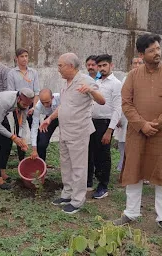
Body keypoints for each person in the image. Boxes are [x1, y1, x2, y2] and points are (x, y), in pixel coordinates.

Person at [113, 34, 162, 233]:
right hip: (137, 132)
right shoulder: (133, 76)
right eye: (152, 50)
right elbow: (126, 103)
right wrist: (142, 124)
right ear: (141, 54)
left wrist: (158, 123)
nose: (157, 53)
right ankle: (131, 213)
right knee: (134, 171)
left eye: (158, 49)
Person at [40, 53, 105, 214]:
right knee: (66, 164)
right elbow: (64, 105)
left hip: (79, 131)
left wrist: (91, 90)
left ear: (70, 66)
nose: (58, 69)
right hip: (65, 130)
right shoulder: (65, 84)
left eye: (60, 65)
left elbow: (102, 100)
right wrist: (49, 119)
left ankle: (77, 200)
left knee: (78, 167)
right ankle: (67, 194)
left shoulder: (86, 81)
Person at [0, 88, 34, 189]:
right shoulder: (6, 101)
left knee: (7, 143)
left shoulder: (26, 104)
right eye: (24, 105)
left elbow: (23, 123)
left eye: (27, 106)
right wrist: (13, 137)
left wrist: (22, 138)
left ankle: (2, 172)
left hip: (2, 115)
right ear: (19, 99)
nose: (25, 107)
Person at [87, 54, 122, 198]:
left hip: (105, 123)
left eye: (104, 65)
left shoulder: (116, 83)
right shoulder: (96, 82)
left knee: (104, 155)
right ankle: (95, 180)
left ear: (111, 66)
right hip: (92, 122)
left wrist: (109, 131)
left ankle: (103, 186)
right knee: (92, 154)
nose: (102, 68)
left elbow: (117, 108)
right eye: (99, 66)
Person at [7, 48, 40, 161]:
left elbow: (37, 92)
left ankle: (38, 157)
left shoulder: (33, 72)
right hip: (19, 107)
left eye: (26, 56)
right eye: (22, 56)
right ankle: (22, 160)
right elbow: (11, 92)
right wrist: (19, 106)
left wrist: (34, 107)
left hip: (32, 106)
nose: (24, 58)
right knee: (20, 133)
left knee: (36, 129)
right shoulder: (12, 73)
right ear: (16, 58)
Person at [113, 57, 143, 172]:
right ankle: (123, 168)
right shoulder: (127, 79)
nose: (137, 65)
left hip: (142, 117)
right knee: (124, 142)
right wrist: (118, 117)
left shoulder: (149, 79)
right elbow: (121, 99)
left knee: (140, 145)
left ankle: (140, 172)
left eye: (140, 63)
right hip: (126, 116)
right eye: (134, 63)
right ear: (131, 65)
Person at [30, 88, 60, 161]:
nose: (45, 105)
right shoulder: (38, 106)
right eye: (43, 102)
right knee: (41, 143)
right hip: (49, 120)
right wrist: (34, 149)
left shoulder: (60, 97)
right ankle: (41, 165)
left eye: (47, 102)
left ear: (52, 98)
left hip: (64, 117)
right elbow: (34, 127)